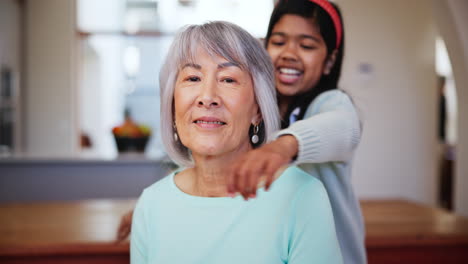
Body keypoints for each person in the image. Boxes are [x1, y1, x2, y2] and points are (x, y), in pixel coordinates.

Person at [130, 21, 342, 264]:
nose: (207, 97)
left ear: (258, 111)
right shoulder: (151, 203)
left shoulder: (302, 196)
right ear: (172, 105)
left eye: (228, 79)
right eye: (193, 77)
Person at [226, 1, 367, 263]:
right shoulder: (253, 110)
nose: (289, 53)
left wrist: (284, 146)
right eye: (279, 42)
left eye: (307, 46)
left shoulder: (330, 104)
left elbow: (343, 127)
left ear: (329, 61)